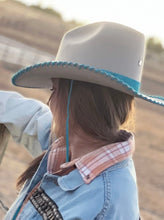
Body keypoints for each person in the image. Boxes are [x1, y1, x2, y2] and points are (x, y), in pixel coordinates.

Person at [1, 21, 164, 220]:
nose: (50, 102)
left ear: (75, 100)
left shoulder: (106, 201)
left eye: (54, 90)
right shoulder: (78, 148)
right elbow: (32, 115)